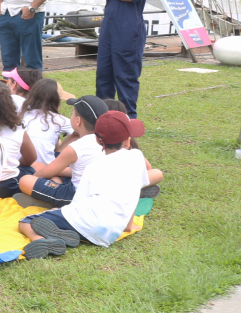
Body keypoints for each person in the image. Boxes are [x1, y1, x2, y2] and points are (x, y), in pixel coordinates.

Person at [18, 111, 163, 257]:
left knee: (26, 221)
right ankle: (65, 234)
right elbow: (135, 191)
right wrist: (128, 226)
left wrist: (60, 210)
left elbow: (78, 205)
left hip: (88, 223)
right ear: (127, 141)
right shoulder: (137, 157)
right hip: (111, 232)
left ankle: (41, 239)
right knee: (71, 218)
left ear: (99, 141)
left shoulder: (93, 168)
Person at [94, 0, 151, 118]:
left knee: (126, 78)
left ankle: (127, 122)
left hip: (128, 31)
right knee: (103, 78)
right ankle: (101, 121)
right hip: (108, 29)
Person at [17, 95, 109, 207]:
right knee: (42, 168)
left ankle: (48, 202)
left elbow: (44, 173)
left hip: (75, 196)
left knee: (25, 180)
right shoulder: (107, 141)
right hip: (95, 191)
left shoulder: (77, 147)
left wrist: (34, 179)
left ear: (78, 121)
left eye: (73, 113)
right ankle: (50, 193)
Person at [0, 81, 37, 198]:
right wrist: (12, 164)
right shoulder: (17, 129)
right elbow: (31, 158)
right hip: (6, 187)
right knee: (31, 170)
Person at [20, 78, 75, 164]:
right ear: (56, 101)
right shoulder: (59, 119)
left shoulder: (22, 114)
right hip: (46, 167)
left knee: (57, 140)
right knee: (75, 134)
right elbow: (81, 132)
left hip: (20, 165)